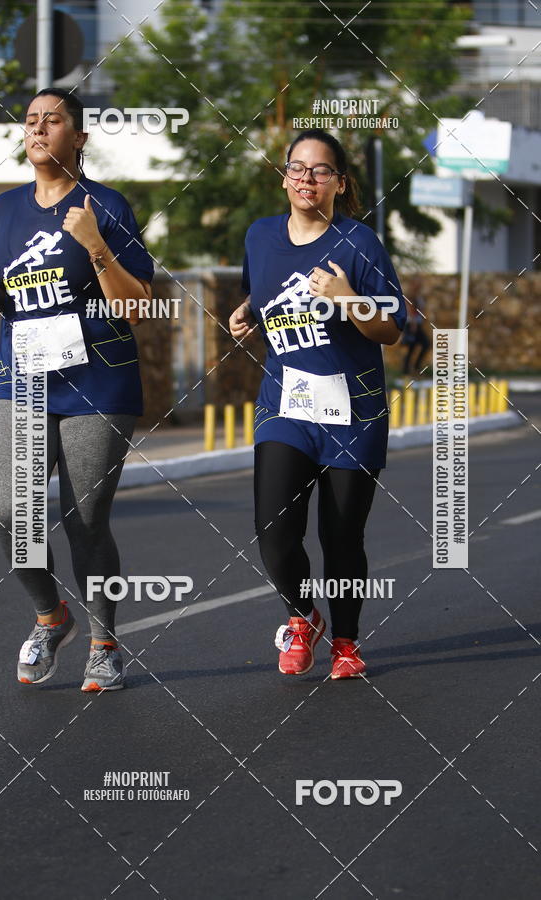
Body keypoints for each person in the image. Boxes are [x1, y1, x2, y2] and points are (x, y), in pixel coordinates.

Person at [0, 87, 154, 691]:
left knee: (85, 518)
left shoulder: (108, 205)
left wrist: (96, 243)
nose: (38, 129)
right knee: (8, 511)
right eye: (30, 121)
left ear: (79, 137)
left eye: (53, 120)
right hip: (22, 379)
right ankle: (52, 616)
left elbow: (137, 304)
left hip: (97, 380)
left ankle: (104, 642)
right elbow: (16, 298)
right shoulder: (5, 210)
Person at [229, 128, 406, 679]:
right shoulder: (259, 235)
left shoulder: (359, 243)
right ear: (284, 175)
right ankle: (302, 616)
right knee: (273, 526)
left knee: (340, 535)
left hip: (354, 413)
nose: (307, 178)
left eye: (320, 170)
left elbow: (392, 328)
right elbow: (262, 296)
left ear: (339, 183)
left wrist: (348, 299)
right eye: (297, 167)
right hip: (286, 405)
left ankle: (347, 643)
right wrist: (247, 318)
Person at [402, 277, 430, 376]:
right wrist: (414, 324)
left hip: (417, 324)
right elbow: (411, 310)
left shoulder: (419, 296)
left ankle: (412, 368)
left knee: (416, 346)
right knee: (417, 345)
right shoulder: (411, 296)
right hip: (412, 325)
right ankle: (408, 370)